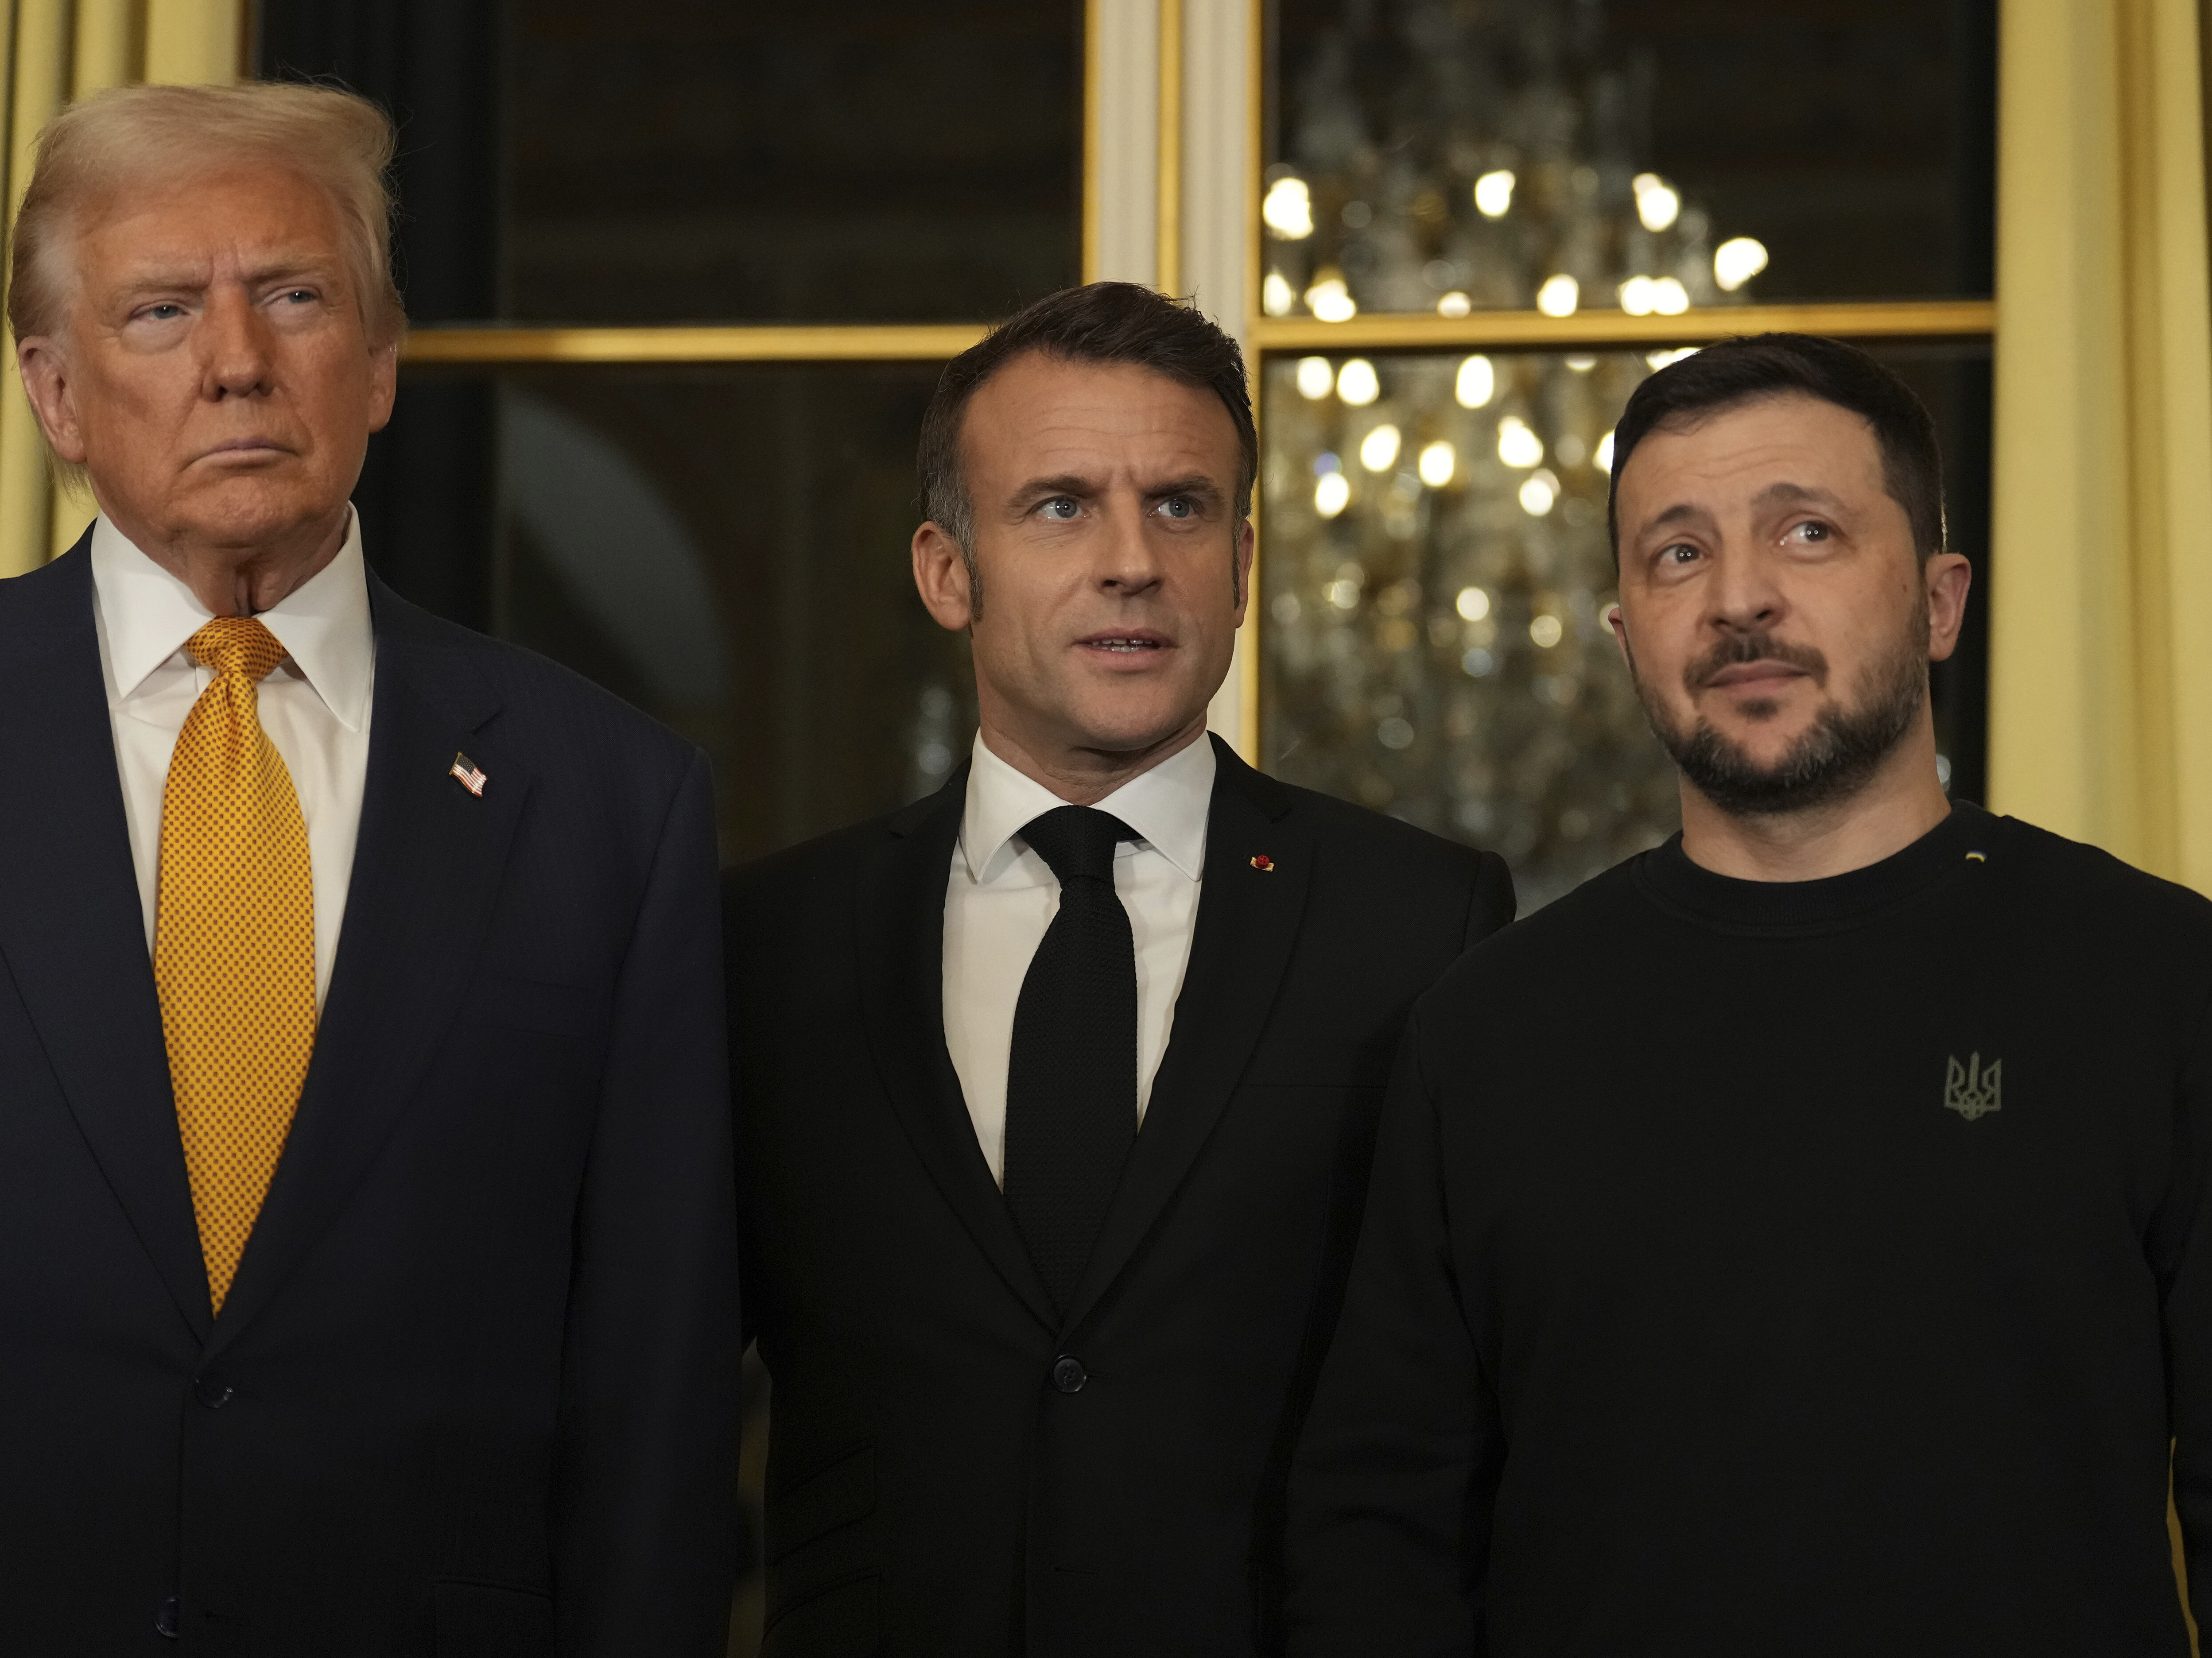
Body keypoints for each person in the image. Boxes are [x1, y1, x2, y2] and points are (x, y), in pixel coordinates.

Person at [0, 83, 738, 1654]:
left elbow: (655, 1378)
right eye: (158, 311)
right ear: (55, 395)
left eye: (293, 295)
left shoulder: (610, 796)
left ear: (382, 362)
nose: (237, 361)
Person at [1286, 333, 2212, 1656]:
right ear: (1625, 633)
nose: (1740, 600)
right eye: (1679, 553)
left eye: (1809, 534)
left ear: (1942, 602)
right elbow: (1381, 1528)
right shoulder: (1486, 1033)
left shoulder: (2156, 979)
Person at [726, 282, 1513, 1657]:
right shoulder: (767, 945)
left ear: (1245, 564)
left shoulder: (1420, 921)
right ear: (945, 572)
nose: (1133, 560)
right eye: (1060, 506)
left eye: (1182, 506)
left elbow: (1472, 1407)